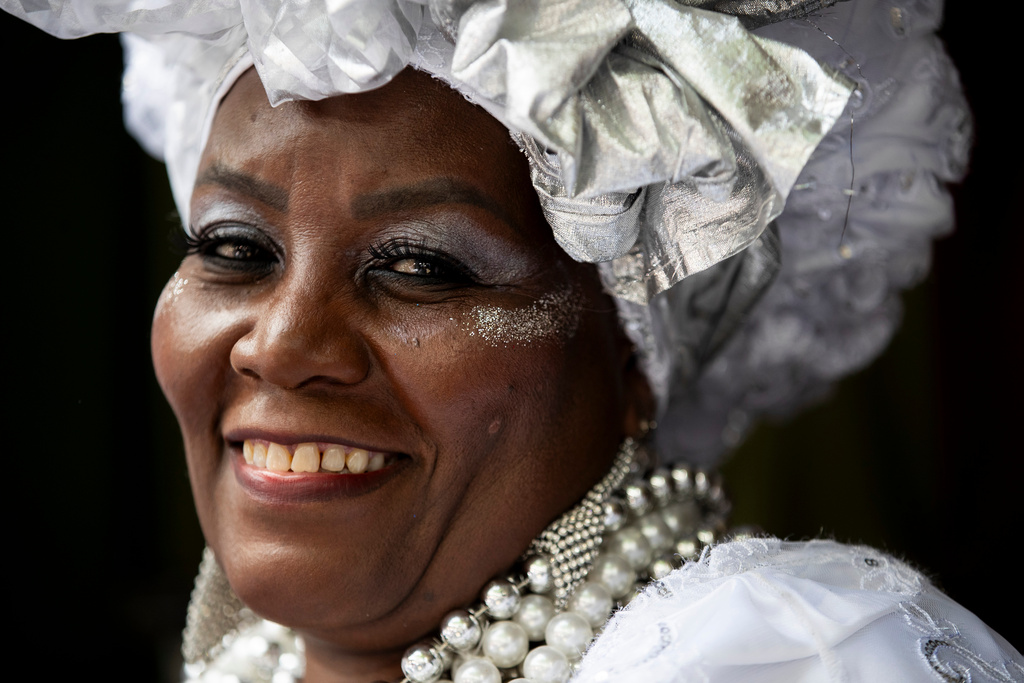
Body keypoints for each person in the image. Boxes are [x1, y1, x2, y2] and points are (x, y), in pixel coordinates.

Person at [4, 0, 1020, 681]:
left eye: (421, 265)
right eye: (232, 246)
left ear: (630, 358)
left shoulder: (770, 655)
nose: (281, 342)